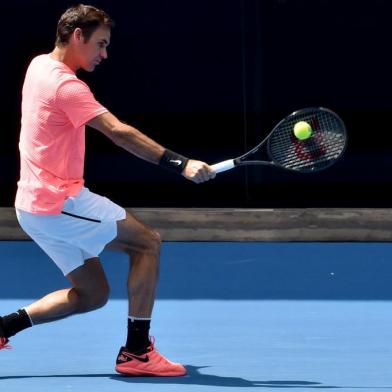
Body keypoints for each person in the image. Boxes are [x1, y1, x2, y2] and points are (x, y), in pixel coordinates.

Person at [0, 4, 215, 377]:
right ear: (77, 36)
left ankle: (3, 328)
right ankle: (137, 352)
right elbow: (118, 132)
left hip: (31, 206)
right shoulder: (66, 85)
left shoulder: (38, 65)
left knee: (93, 295)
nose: (104, 54)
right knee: (146, 243)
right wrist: (181, 164)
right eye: (99, 43)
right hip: (58, 202)